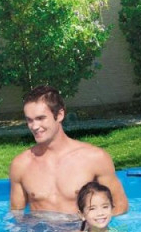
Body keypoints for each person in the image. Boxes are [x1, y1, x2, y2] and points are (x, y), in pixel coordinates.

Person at [8, 86, 129, 217]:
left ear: (60, 115)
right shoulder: (21, 165)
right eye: (29, 120)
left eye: (41, 118)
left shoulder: (95, 158)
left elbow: (120, 205)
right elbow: (17, 215)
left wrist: (93, 227)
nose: (34, 126)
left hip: (81, 228)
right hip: (39, 229)